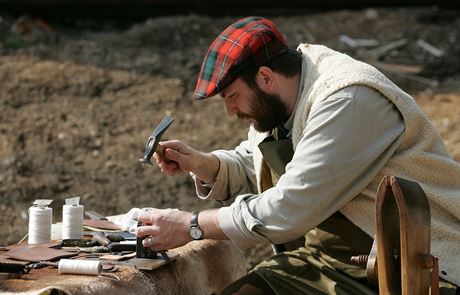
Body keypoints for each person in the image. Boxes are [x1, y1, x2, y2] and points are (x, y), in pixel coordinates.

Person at [135, 16, 460, 294]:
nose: (230, 110)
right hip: (324, 262)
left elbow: (289, 207)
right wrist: (208, 165)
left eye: (232, 96)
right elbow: (261, 161)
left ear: (264, 77)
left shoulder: (346, 100)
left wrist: (192, 226)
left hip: (415, 269)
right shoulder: (283, 97)